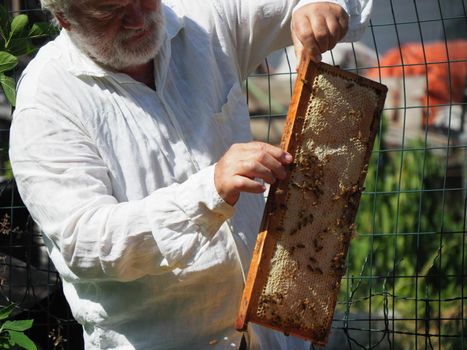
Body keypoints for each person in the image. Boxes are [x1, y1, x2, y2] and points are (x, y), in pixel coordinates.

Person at [9, 0, 372, 348]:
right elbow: (85, 242)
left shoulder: (199, 15)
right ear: (65, 18)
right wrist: (207, 192)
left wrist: (320, 7)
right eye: (111, 12)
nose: (137, 18)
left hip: (275, 333)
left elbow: (310, 5)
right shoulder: (46, 103)